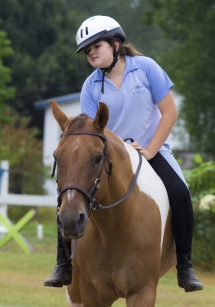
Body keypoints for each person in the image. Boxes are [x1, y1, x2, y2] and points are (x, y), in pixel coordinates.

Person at [44, 15, 203, 292]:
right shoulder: (90, 87)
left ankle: (185, 265)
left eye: (97, 46)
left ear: (116, 44)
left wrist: (152, 149)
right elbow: (91, 132)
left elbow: (170, 112)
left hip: (152, 150)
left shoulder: (146, 68)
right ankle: (63, 263)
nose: (91, 52)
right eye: (87, 51)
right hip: (111, 157)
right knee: (69, 195)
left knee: (180, 192)